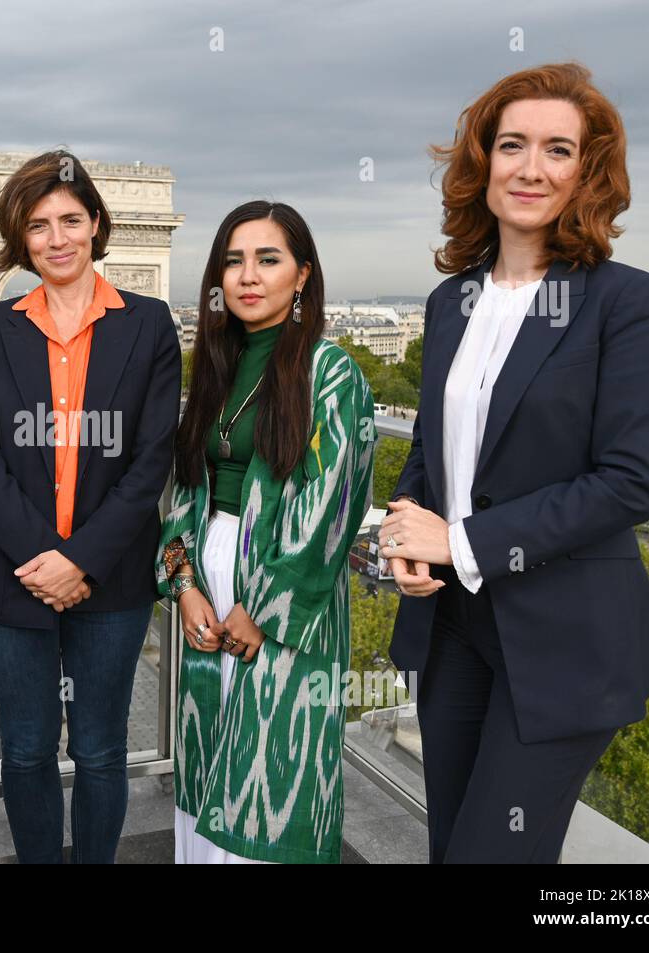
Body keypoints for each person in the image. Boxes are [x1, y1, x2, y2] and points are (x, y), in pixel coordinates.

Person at [379, 63, 649, 863]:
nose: (531, 167)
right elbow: (435, 454)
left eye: (557, 149)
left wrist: (461, 541)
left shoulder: (626, 299)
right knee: (454, 847)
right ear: (483, 163)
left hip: (565, 635)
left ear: (588, 171)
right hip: (453, 626)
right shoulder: (451, 302)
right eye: (512, 144)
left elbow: (633, 478)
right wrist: (408, 531)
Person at [0, 150, 181, 863]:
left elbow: (152, 460)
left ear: (96, 225)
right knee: (24, 749)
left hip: (108, 579)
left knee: (100, 748)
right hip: (13, 577)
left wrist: (79, 558)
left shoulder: (149, 325)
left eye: (69, 220)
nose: (56, 238)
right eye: (38, 225)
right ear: (20, 238)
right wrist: (42, 558)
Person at [156, 200, 375, 863]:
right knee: (211, 754)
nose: (247, 275)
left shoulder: (330, 371)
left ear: (303, 274)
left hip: (282, 586)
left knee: (271, 769)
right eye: (233, 259)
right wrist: (185, 581)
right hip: (210, 569)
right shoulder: (217, 365)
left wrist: (265, 609)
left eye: (268, 259)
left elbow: (333, 507)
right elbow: (184, 486)